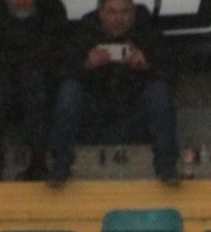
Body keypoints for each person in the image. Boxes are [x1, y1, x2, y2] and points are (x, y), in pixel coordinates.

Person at [46, 0, 177, 188]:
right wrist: (87, 65)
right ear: (100, 14)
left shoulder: (148, 31)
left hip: (134, 122)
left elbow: (172, 75)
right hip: (94, 122)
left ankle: (166, 165)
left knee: (159, 91)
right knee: (69, 89)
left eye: (124, 13)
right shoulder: (85, 32)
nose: (118, 19)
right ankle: (60, 165)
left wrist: (147, 66)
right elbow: (58, 75)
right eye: (112, 13)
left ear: (133, 12)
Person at [0, 0, 66, 181]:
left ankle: (38, 164)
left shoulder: (53, 8)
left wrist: (26, 65)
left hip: (39, 76)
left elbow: (55, 52)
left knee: (37, 94)